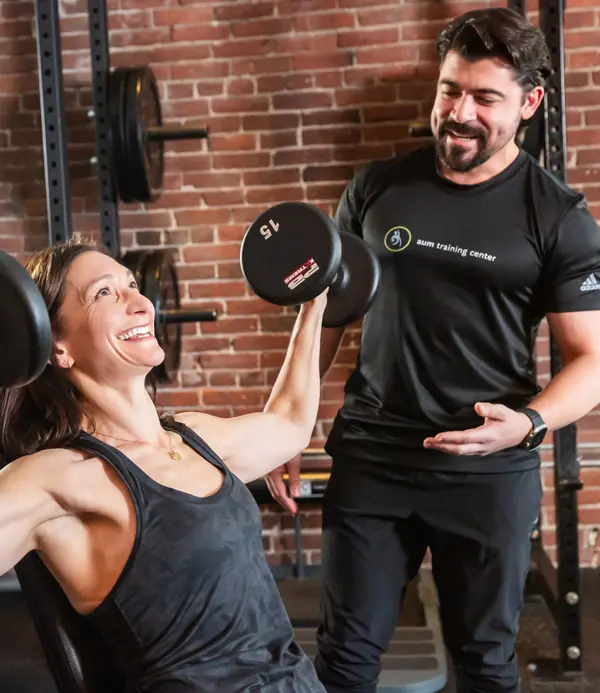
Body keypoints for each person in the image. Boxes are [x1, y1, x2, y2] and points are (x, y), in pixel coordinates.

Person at [265, 8, 600, 693]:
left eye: (486, 98)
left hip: (486, 468)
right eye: (451, 90)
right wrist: (283, 422)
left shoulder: (558, 216)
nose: (460, 113)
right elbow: (323, 315)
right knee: (346, 659)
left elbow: (591, 357)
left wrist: (529, 423)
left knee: (484, 662)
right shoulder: (377, 189)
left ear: (530, 103)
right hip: (374, 455)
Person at [0, 241, 330, 693]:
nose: (141, 304)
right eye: (104, 294)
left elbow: (290, 423)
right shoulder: (60, 477)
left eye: (132, 285)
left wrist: (315, 304)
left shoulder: (194, 438)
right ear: (57, 346)